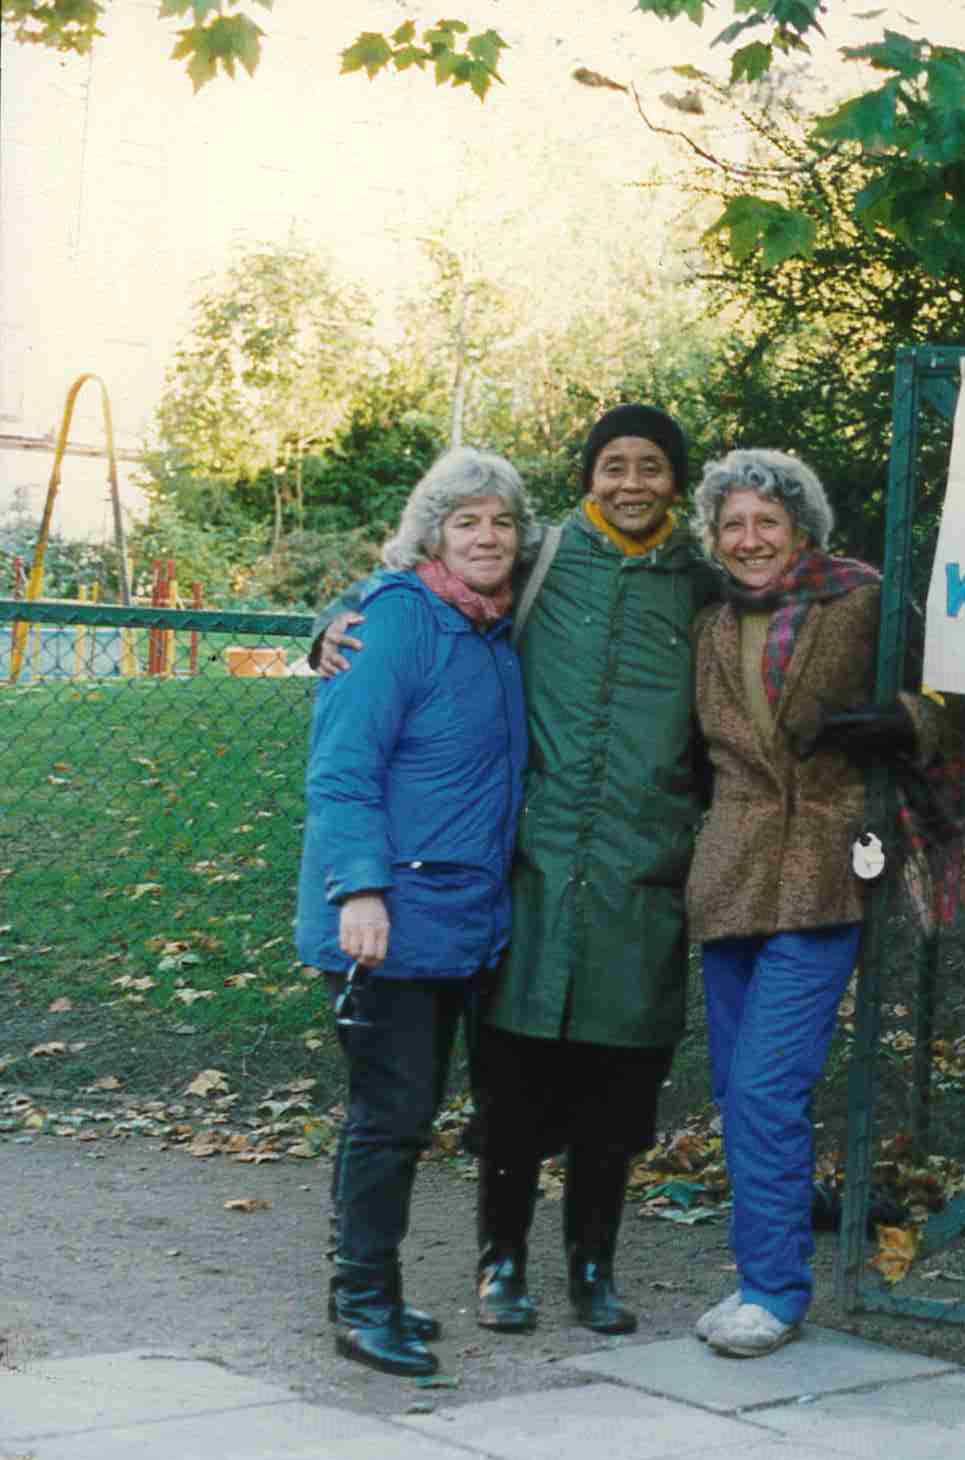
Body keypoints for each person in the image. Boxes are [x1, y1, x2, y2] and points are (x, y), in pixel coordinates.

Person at [315, 403, 720, 1337]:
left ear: (674, 481)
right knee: (512, 1094)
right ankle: (501, 1265)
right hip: (526, 876)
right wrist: (327, 620)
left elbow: (776, 605)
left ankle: (593, 1266)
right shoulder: (539, 560)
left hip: (638, 876)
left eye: (650, 467)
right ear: (588, 475)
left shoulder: (697, 584)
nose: (630, 483)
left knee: (616, 1097)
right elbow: (410, 584)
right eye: (612, 464)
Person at [683, 448, 965, 1358]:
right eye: (732, 525)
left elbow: (953, 696)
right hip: (730, 872)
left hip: (825, 870)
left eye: (766, 521)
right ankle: (758, 1272)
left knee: (768, 1086)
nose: (749, 538)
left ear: (801, 526)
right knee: (738, 1091)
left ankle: (773, 1290)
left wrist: (902, 720)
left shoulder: (864, 600)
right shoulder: (710, 625)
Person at [295, 447, 534, 1376]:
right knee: (390, 1114)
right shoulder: (395, 621)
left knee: (411, 1108)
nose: (486, 536)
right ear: (430, 534)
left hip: (455, 916)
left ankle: (375, 1288)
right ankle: (361, 1301)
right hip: (383, 915)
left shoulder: (488, 628)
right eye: (465, 521)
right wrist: (358, 886)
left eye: (502, 522)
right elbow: (344, 764)